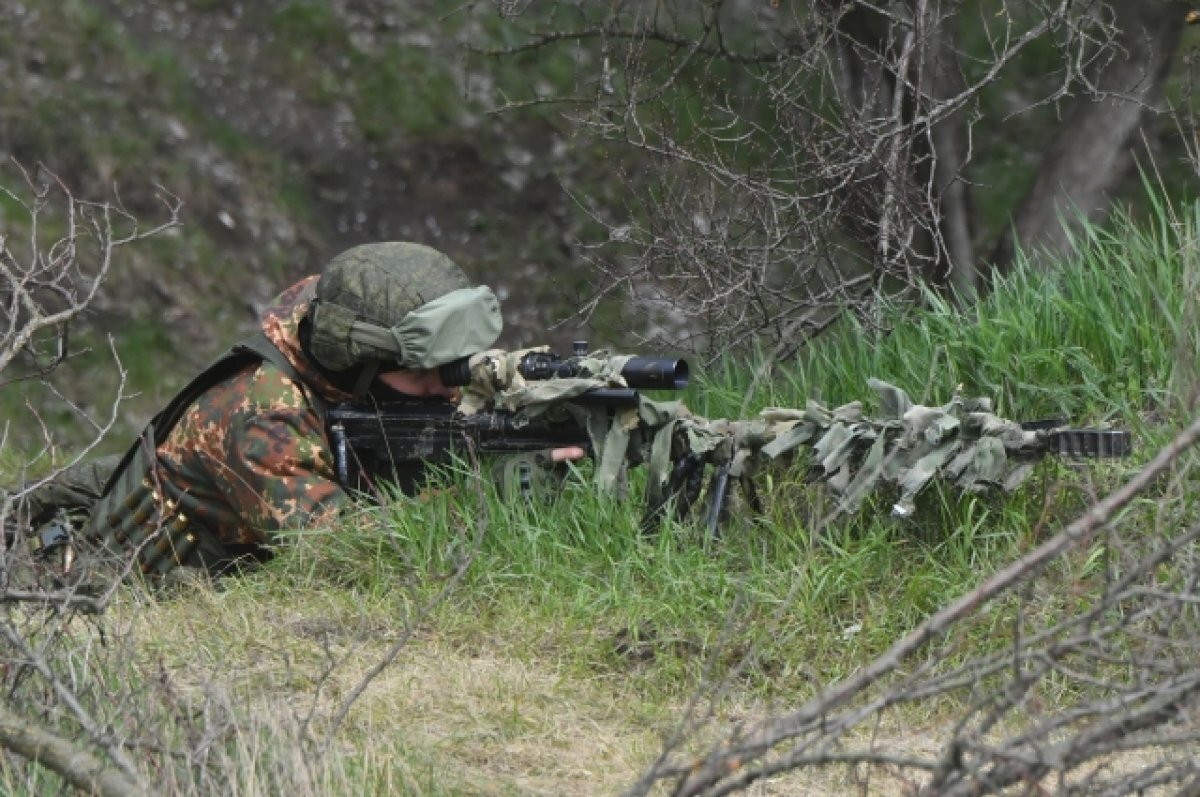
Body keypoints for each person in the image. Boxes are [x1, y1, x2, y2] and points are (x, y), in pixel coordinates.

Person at [9, 242, 583, 582]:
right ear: (359, 361)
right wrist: (490, 494)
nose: (448, 387)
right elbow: (343, 554)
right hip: (119, 582)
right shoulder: (263, 415)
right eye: (428, 370)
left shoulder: (338, 342)